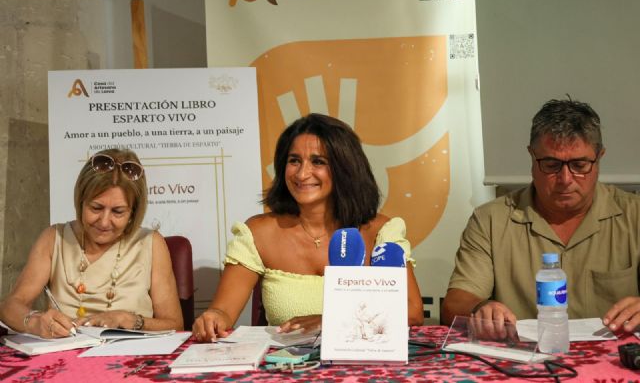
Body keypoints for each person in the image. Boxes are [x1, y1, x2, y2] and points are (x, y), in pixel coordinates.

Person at [193, 113, 424, 341]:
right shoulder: (258, 233)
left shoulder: (381, 232)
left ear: (345, 168)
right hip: (286, 367)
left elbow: (412, 312)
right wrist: (213, 318)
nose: (302, 174)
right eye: (294, 160)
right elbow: (223, 312)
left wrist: (330, 321)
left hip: (363, 365)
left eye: (318, 161)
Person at [442, 99, 640, 335]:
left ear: (600, 158)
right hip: (523, 362)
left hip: (616, 363)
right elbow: (455, 303)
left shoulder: (634, 215)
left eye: (579, 164)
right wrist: (481, 308)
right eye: (551, 164)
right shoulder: (490, 221)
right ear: (531, 156)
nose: (566, 179)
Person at [0, 149, 183, 338]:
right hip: (64, 359)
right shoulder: (54, 238)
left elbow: (175, 325)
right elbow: (9, 307)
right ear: (81, 201)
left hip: (131, 360)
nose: (104, 222)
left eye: (118, 212)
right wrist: (35, 321)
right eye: (96, 208)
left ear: (133, 213)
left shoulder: (151, 243)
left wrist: (131, 320)